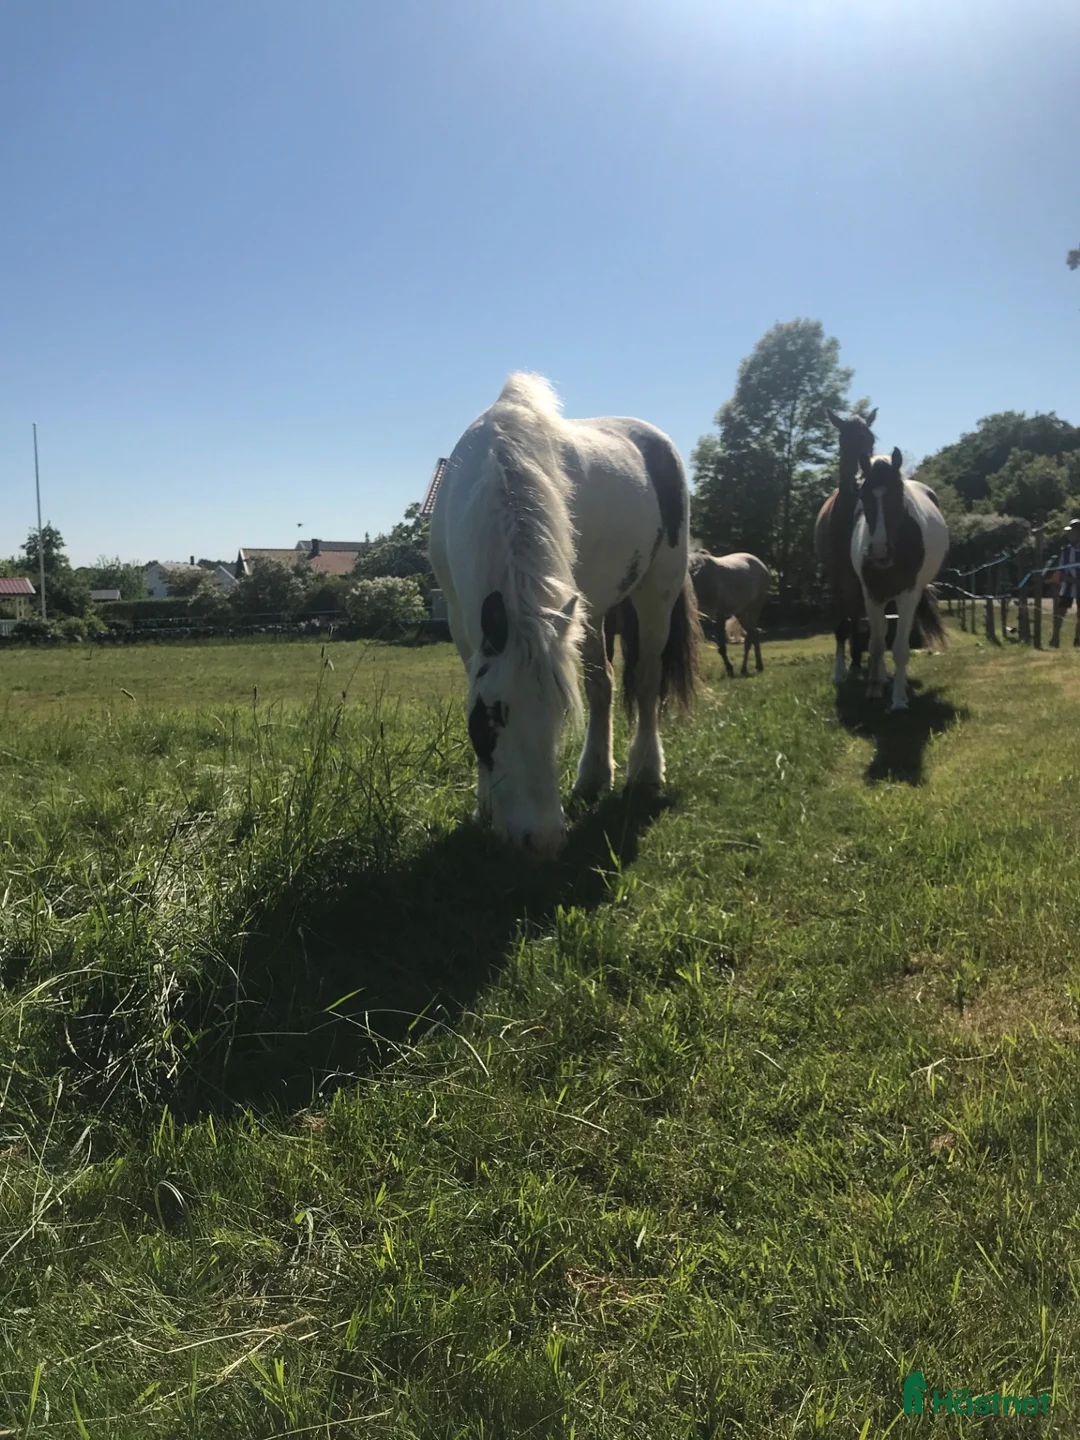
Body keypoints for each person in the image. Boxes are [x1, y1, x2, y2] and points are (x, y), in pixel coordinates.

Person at [1049, 519, 1080, 648]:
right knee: (1060, 612)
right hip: (1067, 586)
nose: (1069, 535)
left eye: (1072, 532)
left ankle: (1078, 639)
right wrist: (1070, 580)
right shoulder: (1066, 551)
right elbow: (1060, 570)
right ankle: (1055, 638)